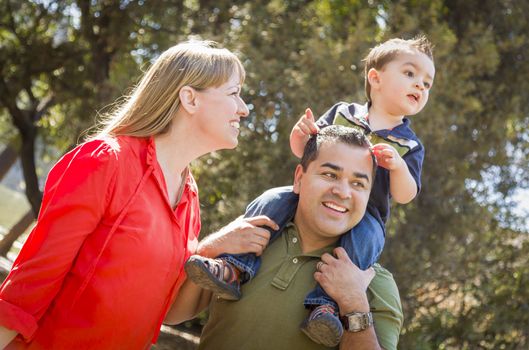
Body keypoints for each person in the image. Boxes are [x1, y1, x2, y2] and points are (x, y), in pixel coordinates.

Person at [0, 41, 278, 349]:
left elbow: (169, 312)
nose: (244, 108)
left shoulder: (189, 196)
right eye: (233, 93)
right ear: (190, 98)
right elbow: (31, 283)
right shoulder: (106, 161)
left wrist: (212, 249)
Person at [185, 35, 435, 346]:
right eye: (411, 74)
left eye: (427, 83)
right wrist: (300, 134)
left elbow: (405, 194)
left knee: (364, 242)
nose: (420, 86)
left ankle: (324, 306)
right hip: (276, 216)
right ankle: (237, 268)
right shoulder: (343, 113)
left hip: (368, 217)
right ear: (376, 78)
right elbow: (305, 151)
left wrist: (397, 167)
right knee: (271, 198)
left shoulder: (409, 144)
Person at [170, 126, 403, 349]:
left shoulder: (373, 282)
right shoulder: (243, 242)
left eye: (358, 183)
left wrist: (355, 305)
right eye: (330, 174)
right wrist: (209, 249)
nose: (343, 192)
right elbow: (173, 315)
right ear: (299, 178)